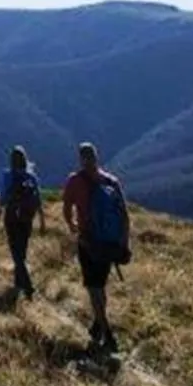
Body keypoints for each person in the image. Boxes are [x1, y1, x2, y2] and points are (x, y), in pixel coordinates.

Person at [60, 141, 131, 351]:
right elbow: (125, 216)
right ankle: (98, 325)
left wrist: (72, 226)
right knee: (100, 285)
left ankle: (107, 331)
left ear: (82, 159)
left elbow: (66, 207)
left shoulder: (75, 181)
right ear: (97, 157)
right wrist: (123, 243)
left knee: (93, 288)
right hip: (110, 243)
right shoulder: (111, 181)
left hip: (88, 241)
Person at [0, 145, 46, 298]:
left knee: (16, 253)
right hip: (27, 218)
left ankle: (27, 285)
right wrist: (42, 220)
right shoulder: (31, 177)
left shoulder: (8, 175)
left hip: (11, 217)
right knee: (22, 252)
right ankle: (18, 285)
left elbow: (3, 197)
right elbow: (38, 199)